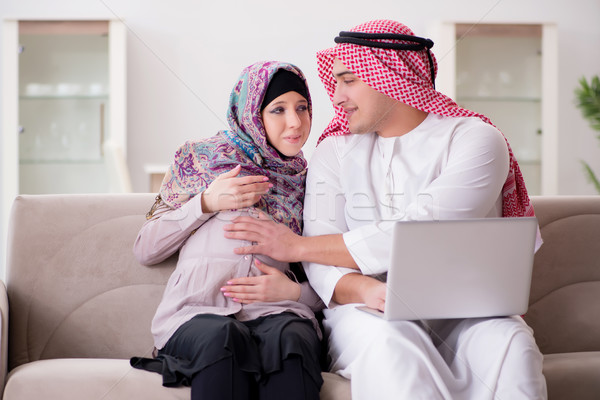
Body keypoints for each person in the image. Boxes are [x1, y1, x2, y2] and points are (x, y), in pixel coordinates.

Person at [223, 20, 547, 399]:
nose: (337, 96)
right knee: (392, 344)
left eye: (348, 80)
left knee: (512, 346)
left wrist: (294, 247)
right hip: (363, 310)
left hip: (465, 312)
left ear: (392, 77)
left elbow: (421, 231)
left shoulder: (474, 139)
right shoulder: (334, 151)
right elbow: (325, 266)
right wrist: (366, 289)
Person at [130, 61, 324, 400]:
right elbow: (145, 249)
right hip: (197, 314)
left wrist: (294, 293)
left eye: (302, 107)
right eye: (278, 109)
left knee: (292, 337)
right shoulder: (198, 160)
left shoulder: (315, 181)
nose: (295, 122)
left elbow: (331, 277)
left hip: (279, 313)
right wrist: (205, 202)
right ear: (251, 114)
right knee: (222, 336)